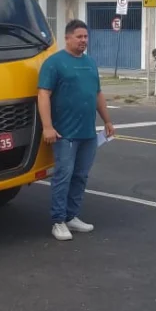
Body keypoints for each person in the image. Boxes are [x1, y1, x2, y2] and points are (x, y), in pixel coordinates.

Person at [38, 19, 115, 241]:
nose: (83, 40)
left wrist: (107, 121)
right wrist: (47, 127)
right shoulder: (54, 63)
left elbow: (97, 94)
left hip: (88, 133)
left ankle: (71, 216)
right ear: (67, 38)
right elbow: (43, 94)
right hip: (65, 134)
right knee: (63, 176)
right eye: (79, 37)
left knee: (80, 176)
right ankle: (58, 221)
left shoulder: (90, 63)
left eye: (86, 37)